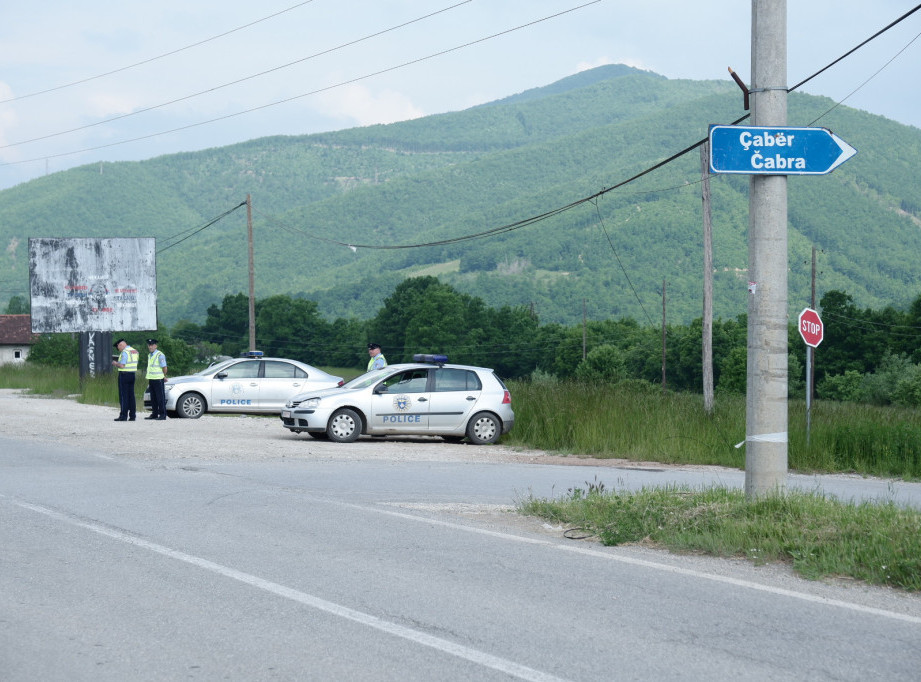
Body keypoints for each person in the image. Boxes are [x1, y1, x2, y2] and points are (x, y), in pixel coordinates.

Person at [112, 338, 139, 421]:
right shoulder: (135, 351)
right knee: (131, 396)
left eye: (118, 348)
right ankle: (132, 416)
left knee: (123, 396)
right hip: (132, 374)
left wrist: (115, 363)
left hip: (124, 375)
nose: (119, 349)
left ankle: (123, 416)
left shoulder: (125, 352)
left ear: (121, 345)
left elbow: (122, 365)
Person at [144, 338, 168, 420]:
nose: (150, 347)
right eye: (149, 345)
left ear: (155, 346)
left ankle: (162, 414)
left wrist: (163, 375)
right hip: (151, 378)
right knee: (153, 398)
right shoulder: (150, 355)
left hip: (158, 379)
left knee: (160, 398)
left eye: (152, 345)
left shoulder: (160, 355)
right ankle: (154, 414)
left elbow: (164, 367)